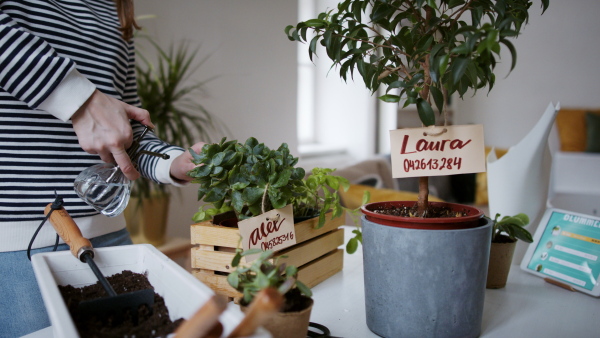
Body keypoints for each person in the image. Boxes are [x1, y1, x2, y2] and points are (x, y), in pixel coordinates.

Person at [0, 1, 205, 336]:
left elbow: (123, 130)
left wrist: (173, 163)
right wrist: (81, 100)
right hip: (17, 247)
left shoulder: (115, 8)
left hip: (112, 238)